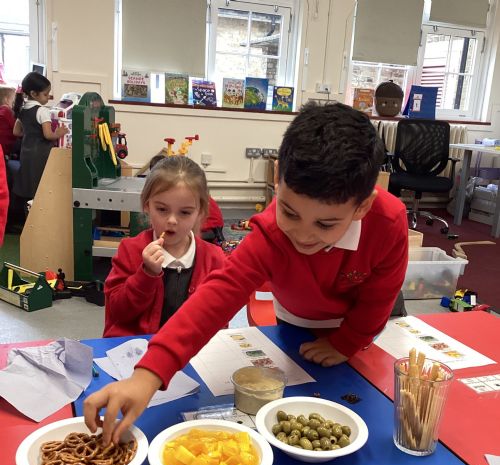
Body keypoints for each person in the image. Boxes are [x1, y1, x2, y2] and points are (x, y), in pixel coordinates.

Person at [84, 102, 409, 443]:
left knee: (354, 400)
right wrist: (147, 375)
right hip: (295, 318)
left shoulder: (388, 222)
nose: (302, 235)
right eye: (289, 212)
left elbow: (380, 298)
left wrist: (346, 343)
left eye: (326, 224)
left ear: (362, 206)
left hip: (355, 325)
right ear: (278, 176)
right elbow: (214, 299)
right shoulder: (271, 234)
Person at [103, 155, 225, 337]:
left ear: (200, 212)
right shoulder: (131, 250)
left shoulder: (214, 258)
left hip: (188, 349)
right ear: (147, 206)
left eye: (185, 212)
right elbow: (118, 312)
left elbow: (220, 319)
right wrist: (146, 274)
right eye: (162, 209)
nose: (172, 220)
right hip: (136, 348)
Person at [12, 72, 68, 203]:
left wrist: (30, 134)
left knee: (29, 181)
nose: (48, 97)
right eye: (45, 94)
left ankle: (27, 209)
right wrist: (59, 133)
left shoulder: (23, 109)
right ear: (33, 94)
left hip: (26, 152)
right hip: (41, 154)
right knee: (40, 183)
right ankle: (39, 209)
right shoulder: (42, 111)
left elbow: (16, 132)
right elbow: (48, 135)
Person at [0, 85, 17, 157]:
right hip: (5, 145)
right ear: (7, 100)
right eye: (13, 101)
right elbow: (15, 127)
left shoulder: (2, 110)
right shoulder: (6, 110)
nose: (14, 103)